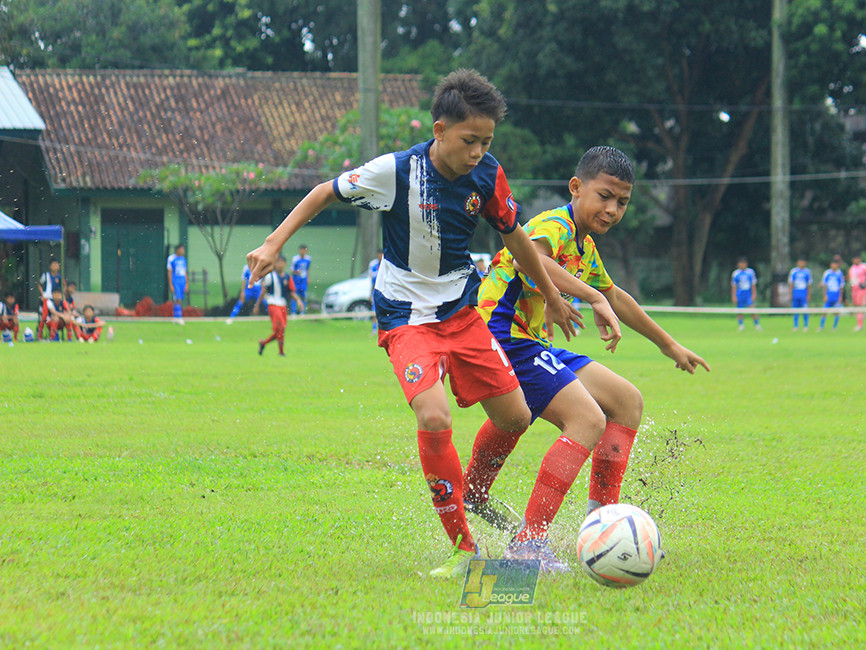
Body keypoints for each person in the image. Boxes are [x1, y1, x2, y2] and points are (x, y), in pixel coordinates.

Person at [244, 69, 580, 578]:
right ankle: (465, 549)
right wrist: (273, 243)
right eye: (469, 140)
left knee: (515, 417)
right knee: (434, 416)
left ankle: (474, 492)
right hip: (405, 317)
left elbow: (515, 238)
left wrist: (552, 297)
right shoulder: (395, 171)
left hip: (462, 315)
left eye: (486, 141)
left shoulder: (488, 174)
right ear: (439, 129)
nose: (477, 151)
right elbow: (323, 191)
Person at [470, 146, 710, 571]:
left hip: (527, 340)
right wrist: (588, 296)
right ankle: (527, 545)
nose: (613, 208)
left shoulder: (584, 247)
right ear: (576, 188)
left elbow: (617, 296)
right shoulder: (553, 224)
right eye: (605, 196)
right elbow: (534, 261)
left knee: (626, 400)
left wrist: (668, 345)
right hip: (499, 335)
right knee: (587, 419)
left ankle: (602, 527)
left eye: (623, 202)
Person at [255, 255, 303, 356]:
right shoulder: (270, 276)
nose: (279, 264)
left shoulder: (287, 277)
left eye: (281, 262)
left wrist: (298, 300)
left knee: (281, 330)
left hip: (282, 305)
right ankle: (281, 352)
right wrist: (257, 305)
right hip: (273, 304)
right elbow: (263, 291)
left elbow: (292, 292)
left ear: (285, 264)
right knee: (280, 327)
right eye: (278, 262)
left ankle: (263, 343)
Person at [848, 254, 866, 331]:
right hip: (854, 289)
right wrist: (852, 286)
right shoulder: (852, 268)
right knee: (856, 305)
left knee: (860, 306)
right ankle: (859, 322)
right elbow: (852, 279)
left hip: (862, 289)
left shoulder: (864, 266)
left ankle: (860, 324)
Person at [731, 257, 760, 331]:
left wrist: (754, 294)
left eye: (744, 263)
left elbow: (753, 284)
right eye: (741, 263)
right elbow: (734, 286)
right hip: (740, 293)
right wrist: (734, 296)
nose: (742, 265)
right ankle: (741, 325)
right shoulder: (736, 273)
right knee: (739, 310)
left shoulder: (750, 272)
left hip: (748, 293)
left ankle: (757, 324)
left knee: (752, 309)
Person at [818, 255, 845, 331]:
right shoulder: (827, 273)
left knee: (836, 312)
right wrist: (825, 295)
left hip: (836, 295)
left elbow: (841, 286)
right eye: (833, 264)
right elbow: (824, 285)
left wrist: (840, 297)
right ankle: (821, 326)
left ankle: (834, 327)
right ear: (831, 265)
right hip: (829, 295)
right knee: (824, 311)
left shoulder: (840, 274)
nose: (834, 266)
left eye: (836, 264)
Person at [37, 258, 62, 334]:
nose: (54, 266)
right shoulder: (46, 275)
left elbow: (64, 286)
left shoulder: (60, 277)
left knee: (53, 316)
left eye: (56, 265)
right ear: (50, 266)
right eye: (52, 265)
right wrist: (42, 294)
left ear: (58, 266)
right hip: (47, 299)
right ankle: (40, 333)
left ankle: (53, 333)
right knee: (44, 316)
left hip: (55, 300)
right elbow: (39, 284)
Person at [788, 257, 812, 331]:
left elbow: (809, 284)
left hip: (803, 293)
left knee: (805, 310)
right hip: (796, 293)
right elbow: (791, 284)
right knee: (795, 310)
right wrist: (790, 294)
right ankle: (796, 326)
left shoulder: (807, 272)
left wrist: (808, 294)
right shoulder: (794, 271)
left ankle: (805, 326)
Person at [166, 244, 187, 324]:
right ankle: (179, 317)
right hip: (176, 281)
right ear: (177, 250)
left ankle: (175, 317)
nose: (183, 251)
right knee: (177, 299)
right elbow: (170, 272)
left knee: (179, 299)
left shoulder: (183, 259)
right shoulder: (171, 259)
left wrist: (186, 283)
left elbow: (185, 272)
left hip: (182, 281)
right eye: (182, 249)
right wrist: (171, 284)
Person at [290, 244, 311, 314]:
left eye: (304, 250)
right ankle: (294, 311)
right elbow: (292, 270)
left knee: (303, 295)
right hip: (296, 280)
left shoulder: (308, 259)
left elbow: (308, 269)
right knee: (294, 295)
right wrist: (297, 272)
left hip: (303, 280)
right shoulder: (295, 259)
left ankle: (303, 311)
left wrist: (308, 278)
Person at [368, 251, 382, 335]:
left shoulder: (387, 263)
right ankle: (374, 329)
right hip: (376, 289)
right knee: (374, 310)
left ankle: (383, 328)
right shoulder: (373, 264)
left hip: (385, 290)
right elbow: (372, 277)